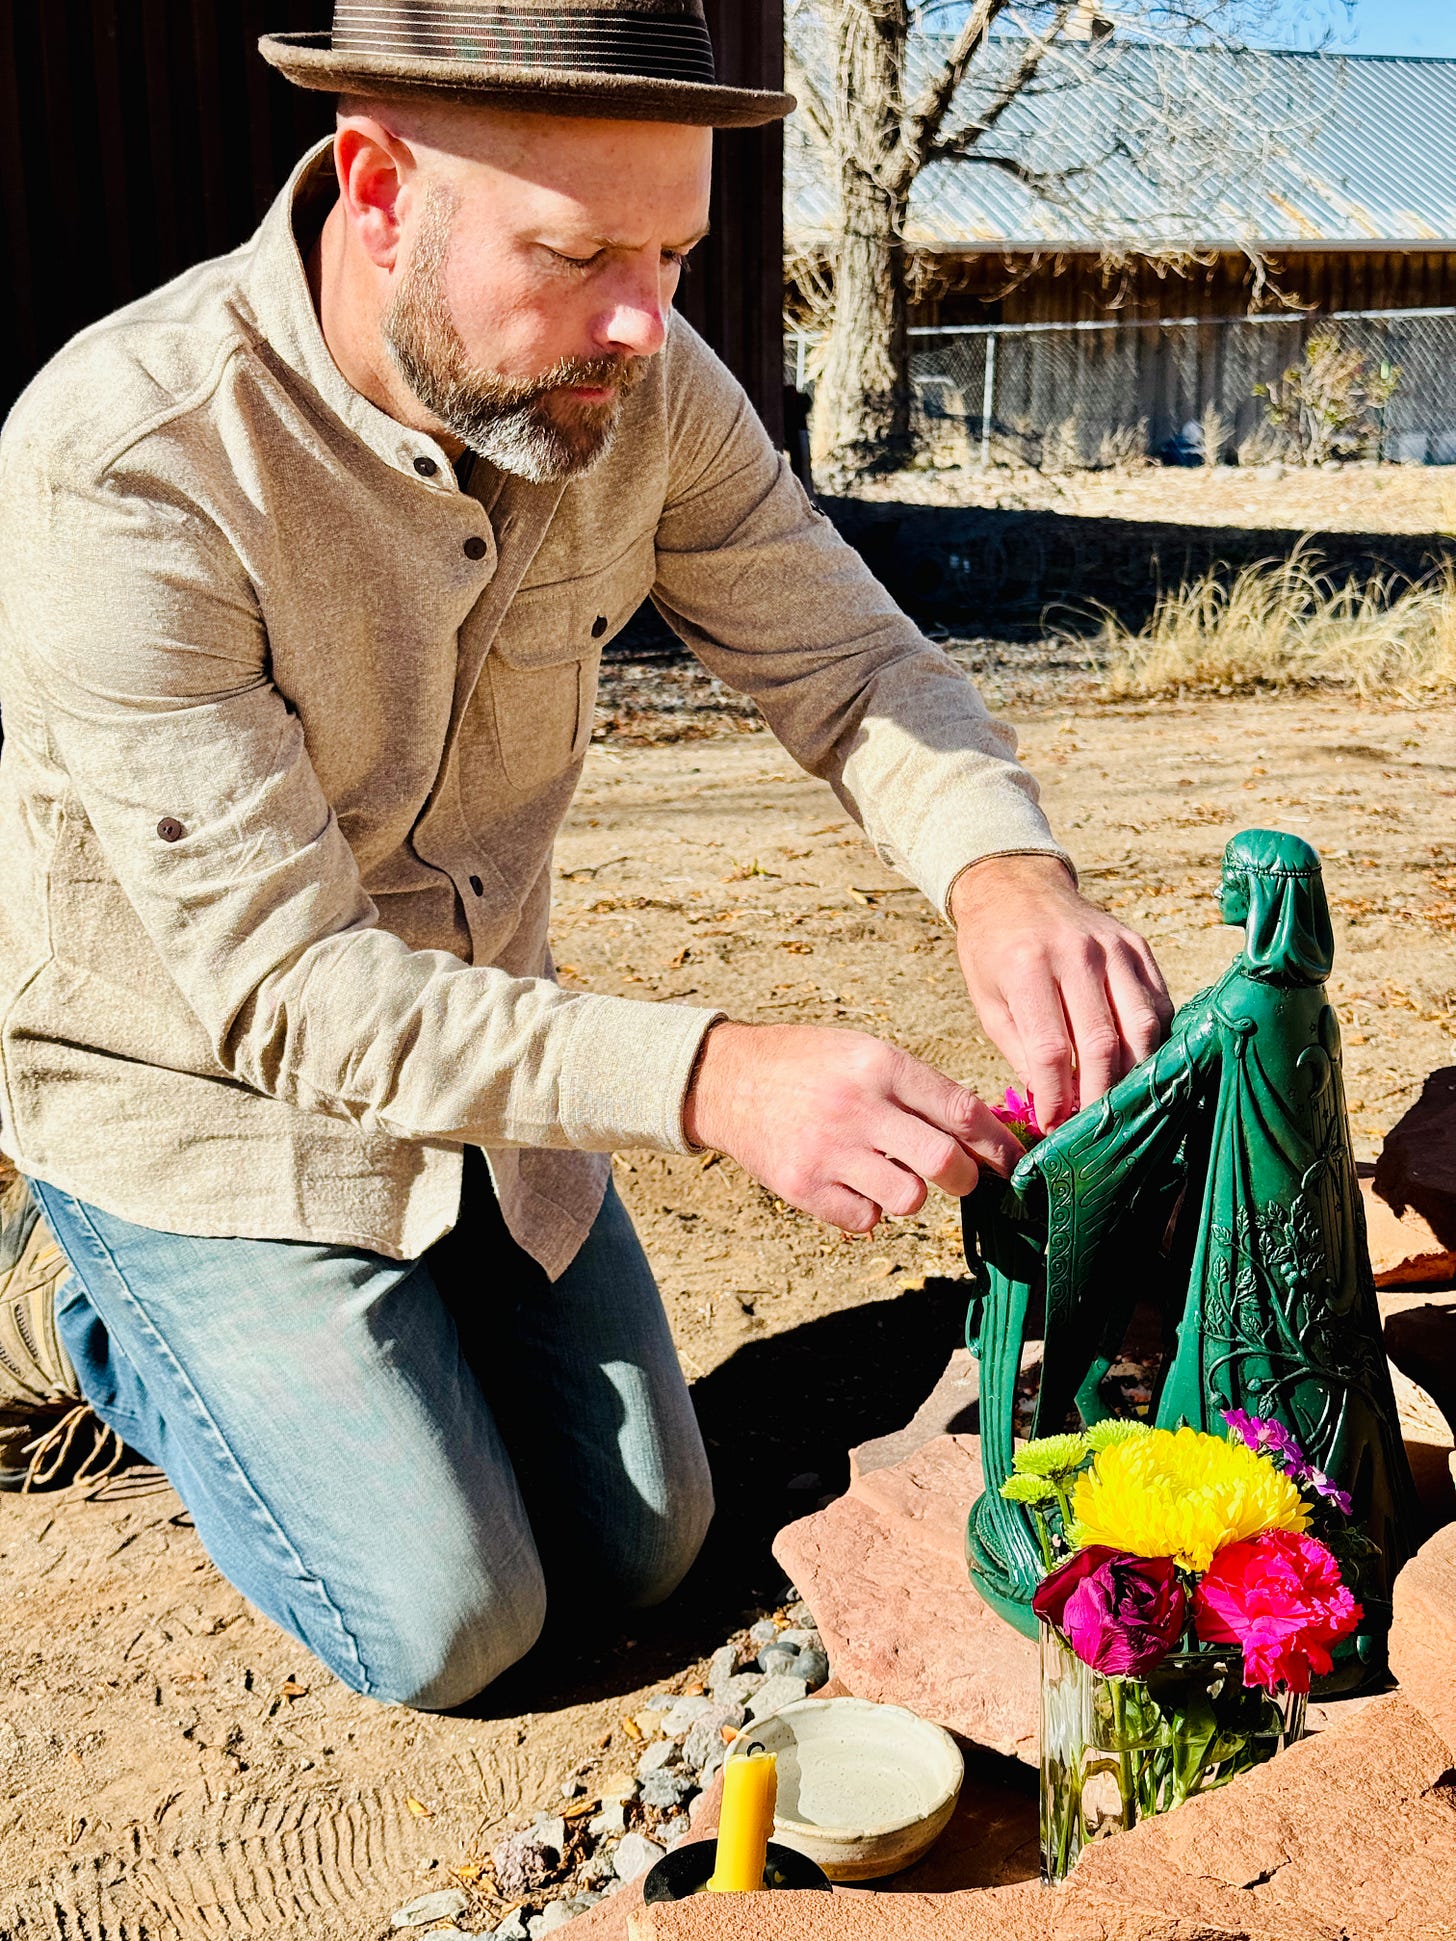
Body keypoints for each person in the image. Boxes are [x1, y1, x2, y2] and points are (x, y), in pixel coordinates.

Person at [0, 0, 1170, 1709]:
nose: (644, 319)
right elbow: (291, 996)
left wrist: (1007, 873)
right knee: (451, 1619)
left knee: (642, 1550)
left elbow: (847, 663)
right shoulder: (129, 465)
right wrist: (717, 1080)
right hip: (201, 1104)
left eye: (679, 253)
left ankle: (392, 1341)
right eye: (577, 251)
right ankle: (77, 1306)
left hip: (485, 1073)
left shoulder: (641, 378)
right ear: (379, 183)